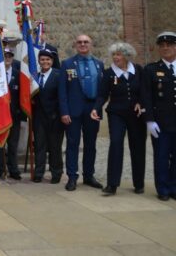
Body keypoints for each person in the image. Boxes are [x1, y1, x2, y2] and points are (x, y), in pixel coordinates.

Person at [90, 42, 145, 196]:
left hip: (136, 114)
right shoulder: (108, 73)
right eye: (114, 55)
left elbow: (145, 90)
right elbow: (102, 94)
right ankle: (112, 184)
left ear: (127, 56)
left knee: (138, 146)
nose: (115, 57)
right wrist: (96, 108)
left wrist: (141, 102)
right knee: (115, 144)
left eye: (119, 54)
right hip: (116, 114)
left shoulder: (139, 71)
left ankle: (139, 183)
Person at [59, 34, 104, 192]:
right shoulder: (67, 64)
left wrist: (98, 108)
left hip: (92, 110)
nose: (83, 44)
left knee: (91, 144)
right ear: (75, 45)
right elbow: (62, 91)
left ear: (91, 44)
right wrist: (64, 111)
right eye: (80, 42)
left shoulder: (99, 64)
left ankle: (89, 175)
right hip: (73, 110)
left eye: (86, 42)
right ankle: (72, 176)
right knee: (72, 144)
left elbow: (102, 91)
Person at [142, 31, 176, 201]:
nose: (165, 48)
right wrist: (149, 120)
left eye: (169, 45)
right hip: (161, 122)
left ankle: (174, 187)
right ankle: (162, 188)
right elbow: (146, 96)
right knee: (161, 156)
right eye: (162, 46)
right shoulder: (151, 69)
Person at [32, 49, 64, 183]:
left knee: (55, 147)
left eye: (48, 59)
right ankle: (39, 173)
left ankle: (56, 173)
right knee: (40, 146)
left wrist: (60, 114)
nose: (45, 62)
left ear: (52, 61)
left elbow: (62, 97)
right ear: (39, 61)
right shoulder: (34, 76)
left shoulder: (59, 75)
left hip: (55, 117)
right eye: (42, 59)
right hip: (39, 117)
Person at [4, 48, 23, 180]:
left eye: (10, 56)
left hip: (14, 115)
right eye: (5, 55)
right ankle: (0, 168)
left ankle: (13, 169)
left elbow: (22, 96)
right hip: (0, 115)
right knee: (0, 143)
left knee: (13, 144)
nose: (8, 58)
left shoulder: (18, 74)